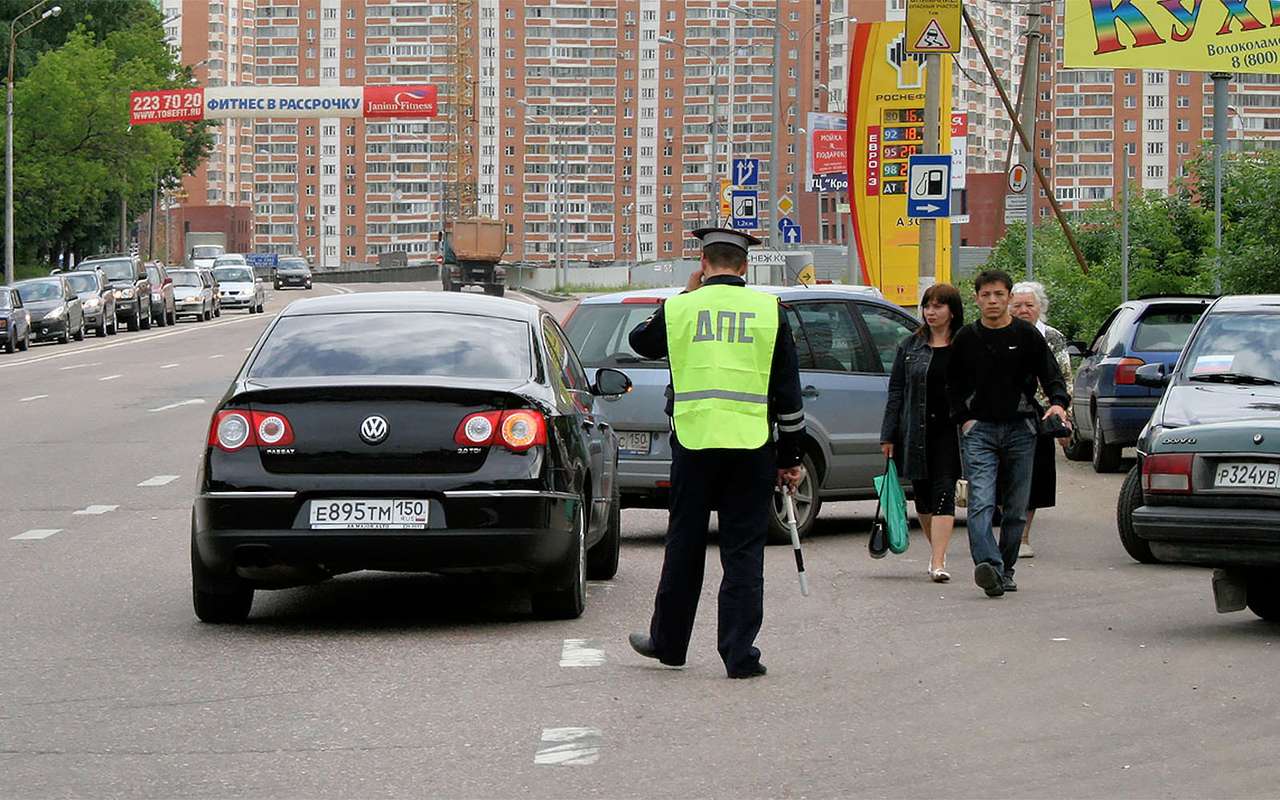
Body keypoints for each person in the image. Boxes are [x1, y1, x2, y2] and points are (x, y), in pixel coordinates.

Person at [626, 227, 806, 679]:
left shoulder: (681, 308)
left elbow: (641, 343)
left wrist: (682, 296)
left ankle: (669, 645)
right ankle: (739, 654)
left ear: (702, 265)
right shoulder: (770, 311)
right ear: (745, 267)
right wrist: (792, 458)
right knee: (743, 551)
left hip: (694, 443)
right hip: (751, 446)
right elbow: (788, 392)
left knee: (684, 544)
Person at [947, 269, 1069, 598]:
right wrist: (964, 418)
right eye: (985, 295)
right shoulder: (966, 339)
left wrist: (1058, 403)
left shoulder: (1027, 336)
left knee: (1016, 508)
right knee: (981, 503)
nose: (992, 300)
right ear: (976, 299)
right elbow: (952, 386)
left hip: (1021, 428)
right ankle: (988, 565)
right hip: (980, 431)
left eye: (999, 294)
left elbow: (1051, 374)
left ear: (1008, 297)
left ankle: (1006, 567)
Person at [879, 283, 964, 583]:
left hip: (950, 432)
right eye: (927, 306)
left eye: (938, 306)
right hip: (914, 431)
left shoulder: (964, 345)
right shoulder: (909, 346)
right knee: (924, 498)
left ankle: (939, 561)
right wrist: (887, 436)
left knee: (943, 492)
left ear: (952, 311)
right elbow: (896, 393)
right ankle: (935, 552)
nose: (931, 312)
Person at [1010, 281, 1074, 560]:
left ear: (1040, 308)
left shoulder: (1052, 338)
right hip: (1004, 414)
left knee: (1033, 478)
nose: (1024, 310)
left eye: (1029, 305)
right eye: (1018, 305)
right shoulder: (997, 334)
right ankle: (1006, 529)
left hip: (1040, 416)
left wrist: (1062, 416)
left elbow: (1063, 379)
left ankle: (1023, 536)